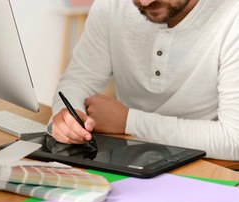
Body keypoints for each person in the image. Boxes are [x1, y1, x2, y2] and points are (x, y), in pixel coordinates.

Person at [50, 0, 239, 161]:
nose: (145, 3)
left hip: (209, 165)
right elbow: (77, 81)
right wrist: (67, 120)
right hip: (126, 154)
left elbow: (234, 140)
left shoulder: (233, 14)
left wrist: (128, 121)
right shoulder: (112, 5)